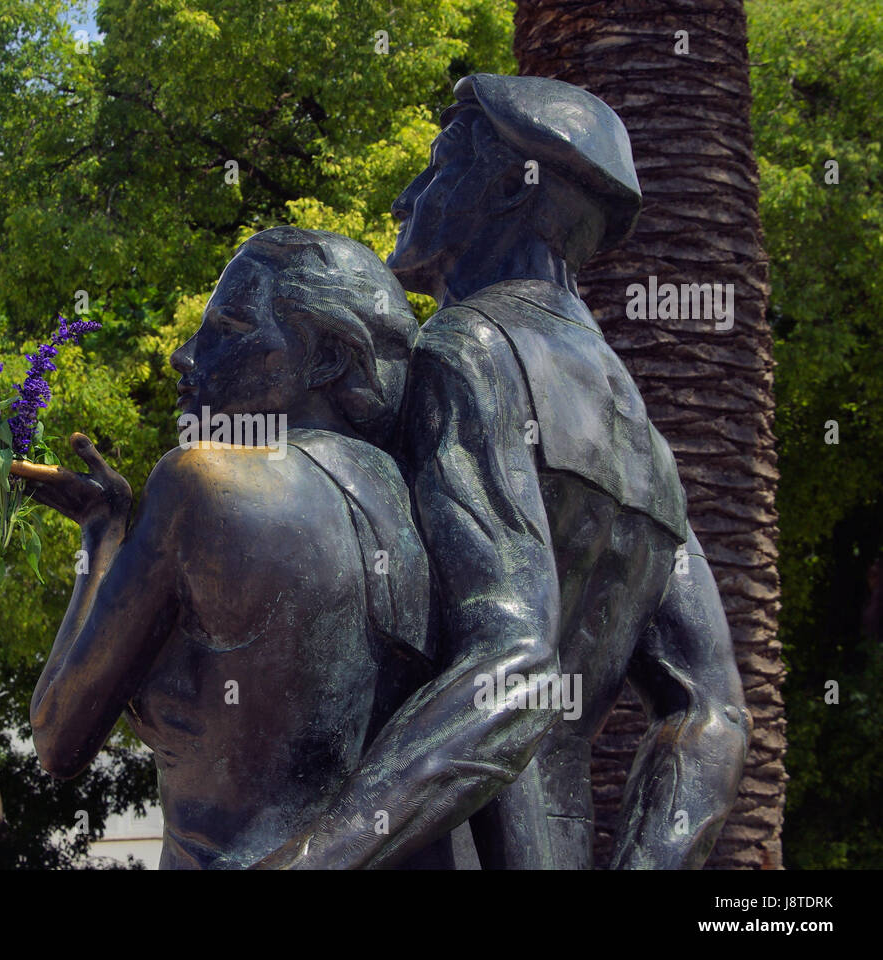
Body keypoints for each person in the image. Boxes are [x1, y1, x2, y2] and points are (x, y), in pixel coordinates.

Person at [262, 74, 752, 870]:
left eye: (435, 166)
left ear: (504, 188)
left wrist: (308, 861)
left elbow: (513, 662)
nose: (403, 198)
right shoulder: (641, 436)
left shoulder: (469, 352)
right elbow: (712, 713)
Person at [0, 227, 434, 868]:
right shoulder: (422, 506)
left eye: (229, 327)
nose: (184, 357)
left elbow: (57, 737)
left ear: (327, 359)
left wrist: (102, 531)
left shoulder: (202, 479)